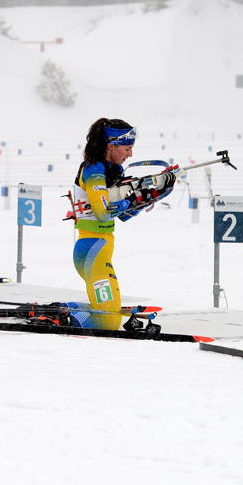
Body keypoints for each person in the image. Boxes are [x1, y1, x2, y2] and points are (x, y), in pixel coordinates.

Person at [68, 118, 174, 330]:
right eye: (127, 148)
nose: (130, 154)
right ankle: (63, 317)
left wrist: (151, 195)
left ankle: (62, 312)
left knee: (107, 314)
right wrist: (134, 198)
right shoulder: (93, 170)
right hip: (91, 251)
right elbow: (102, 213)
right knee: (110, 321)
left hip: (100, 250)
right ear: (111, 145)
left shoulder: (113, 170)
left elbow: (123, 216)